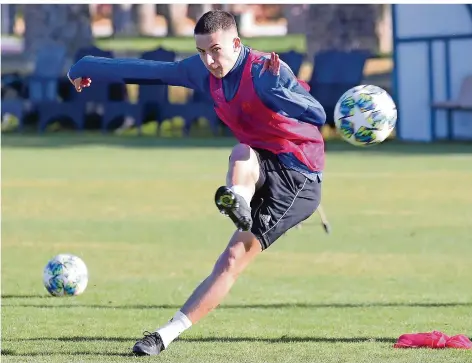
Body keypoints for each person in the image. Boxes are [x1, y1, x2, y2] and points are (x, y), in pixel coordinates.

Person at [68, 10, 326, 356]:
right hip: (259, 161)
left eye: (215, 50)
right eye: (201, 51)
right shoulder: (203, 70)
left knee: (232, 260)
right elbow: (153, 72)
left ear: (236, 43)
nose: (208, 60)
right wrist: (84, 66)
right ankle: (238, 203)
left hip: (298, 177)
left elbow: (316, 114)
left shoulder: (266, 71)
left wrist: (282, 91)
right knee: (241, 153)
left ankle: (238, 206)